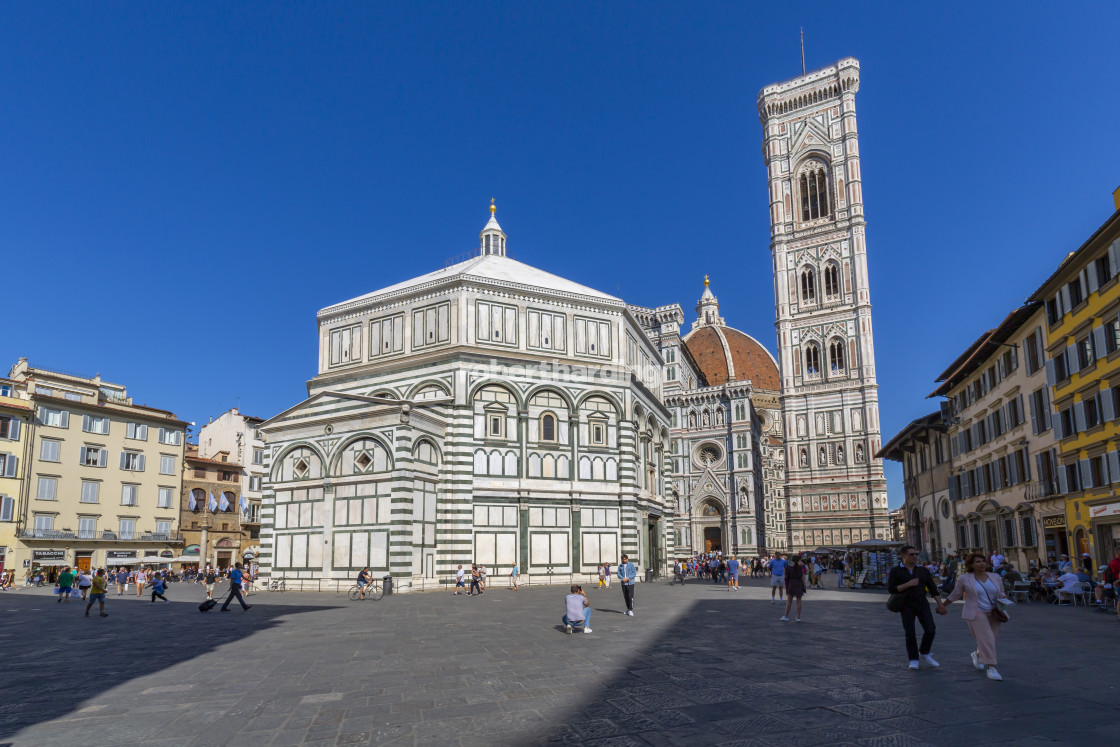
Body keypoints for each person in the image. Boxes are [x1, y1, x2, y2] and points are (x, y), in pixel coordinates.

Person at [944, 553, 1011, 681]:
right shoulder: (965, 578)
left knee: (992, 638)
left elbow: (1001, 592)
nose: (982, 564)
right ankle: (992, 668)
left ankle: (978, 654)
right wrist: (943, 605)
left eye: (983, 561)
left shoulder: (995, 576)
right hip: (976, 612)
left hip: (995, 611)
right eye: (978, 562)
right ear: (971, 565)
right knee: (987, 638)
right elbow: (956, 593)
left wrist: (1004, 598)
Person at [887, 544, 946, 671]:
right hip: (906, 605)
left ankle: (924, 651)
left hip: (922, 604)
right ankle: (913, 659)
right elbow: (891, 589)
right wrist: (908, 584)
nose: (915, 556)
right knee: (910, 633)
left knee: (930, 629)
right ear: (903, 556)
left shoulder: (923, 570)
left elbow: (932, 588)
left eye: (916, 554)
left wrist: (941, 605)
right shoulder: (896, 571)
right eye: (911, 554)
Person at [781, 556, 806, 622]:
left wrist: (786, 587)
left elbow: (786, 578)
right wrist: (804, 586)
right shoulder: (801, 567)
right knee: (799, 601)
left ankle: (786, 616)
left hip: (791, 583)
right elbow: (802, 577)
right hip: (799, 583)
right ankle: (798, 617)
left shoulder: (788, 568)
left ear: (791, 561)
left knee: (789, 601)